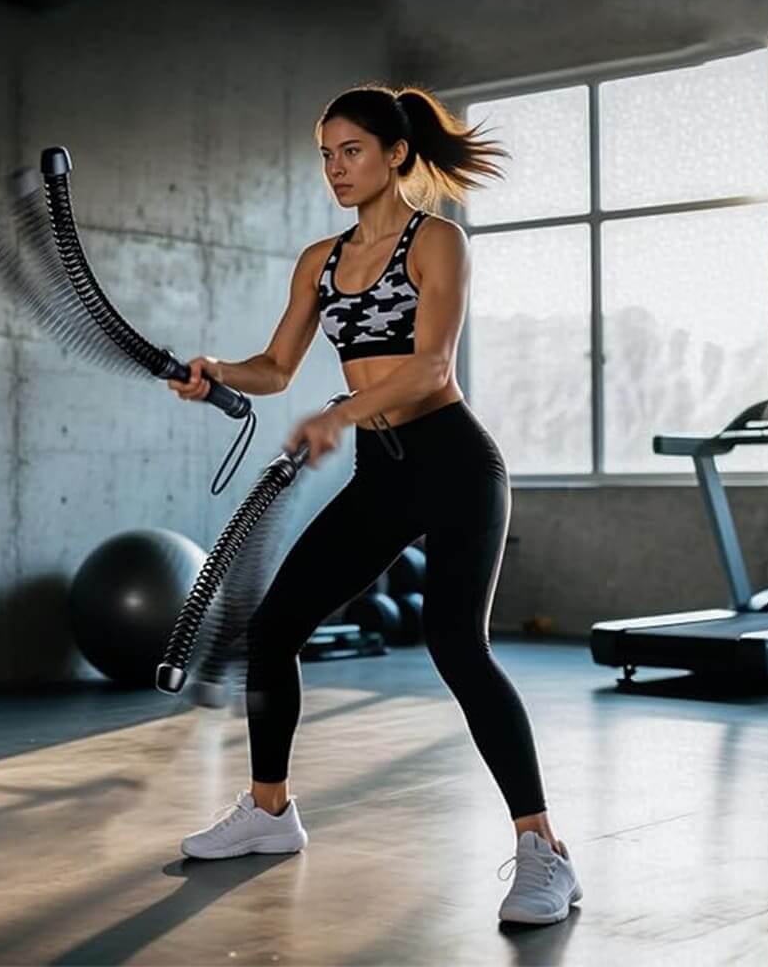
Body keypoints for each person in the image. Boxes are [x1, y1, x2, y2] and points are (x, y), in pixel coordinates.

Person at [167, 84, 582, 926]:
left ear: (395, 153)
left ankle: (544, 852)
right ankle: (270, 814)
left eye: (350, 151)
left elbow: (432, 367)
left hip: (455, 462)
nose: (335, 169)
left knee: (457, 644)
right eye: (325, 154)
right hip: (381, 473)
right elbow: (277, 367)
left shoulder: (438, 241)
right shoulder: (320, 260)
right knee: (275, 629)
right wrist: (216, 372)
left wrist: (340, 413)